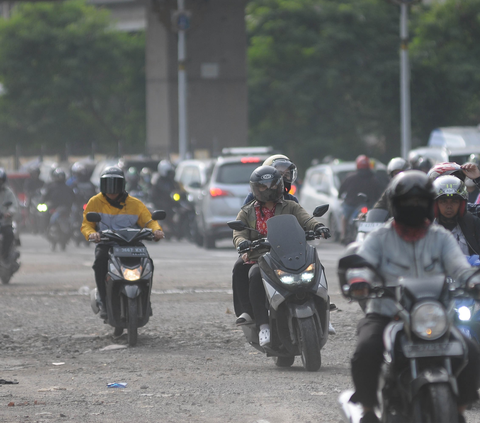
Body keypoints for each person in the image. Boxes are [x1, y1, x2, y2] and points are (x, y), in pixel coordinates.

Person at [340, 170, 480, 423]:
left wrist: (473, 280)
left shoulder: (440, 237)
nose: (414, 207)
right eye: (408, 202)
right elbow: (363, 264)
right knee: (366, 349)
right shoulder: (380, 237)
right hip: (387, 312)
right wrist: (360, 280)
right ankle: (369, 410)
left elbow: (460, 267)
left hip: (431, 314)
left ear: (428, 204)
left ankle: (458, 411)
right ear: (396, 204)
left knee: (470, 350)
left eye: (420, 202)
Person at [232, 165, 331, 346]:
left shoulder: (291, 206)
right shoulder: (247, 211)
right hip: (262, 257)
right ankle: (263, 326)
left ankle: (323, 308)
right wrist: (242, 243)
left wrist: (318, 227)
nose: (268, 189)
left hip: (290, 252)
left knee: (316, 264)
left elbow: (306, 219)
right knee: (254, 275)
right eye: (263, 186)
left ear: (279, 185)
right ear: (255, 188)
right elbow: (238, 233)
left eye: (271, 185)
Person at [81, 166, 165, 319]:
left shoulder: (136, 204)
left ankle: (146, 299)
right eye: (108, 184)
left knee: (148, 263)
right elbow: (87, 224)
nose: (112, 189)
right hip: (107, 244)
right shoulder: (95, 202)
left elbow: (149, 221)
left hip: (132, 243)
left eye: (115, 184)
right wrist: (92, 234)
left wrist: (157, 231)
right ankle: (104, 301)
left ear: (122, 185)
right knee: (100, 263)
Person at [338, 155, 383, 242]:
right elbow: (379, 193)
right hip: (369, 205)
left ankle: (343, 235)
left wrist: (339, 196)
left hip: (351, 204)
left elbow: (341, 189)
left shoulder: (350, 177)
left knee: (344, 217)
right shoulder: (374, 179)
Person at [433, 175, 480, 255]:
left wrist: (478, 178)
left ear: (462, 204)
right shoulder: (425, 228)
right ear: (436, 204)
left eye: (454, 201)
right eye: (444, 201)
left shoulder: (473, 223)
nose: (449, 206)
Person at [0, 169, 19, 261]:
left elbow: (14, 205)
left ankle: (5, 255)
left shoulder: (8, 192)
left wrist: (9, 213)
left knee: (9, 234)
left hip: (4, 222)